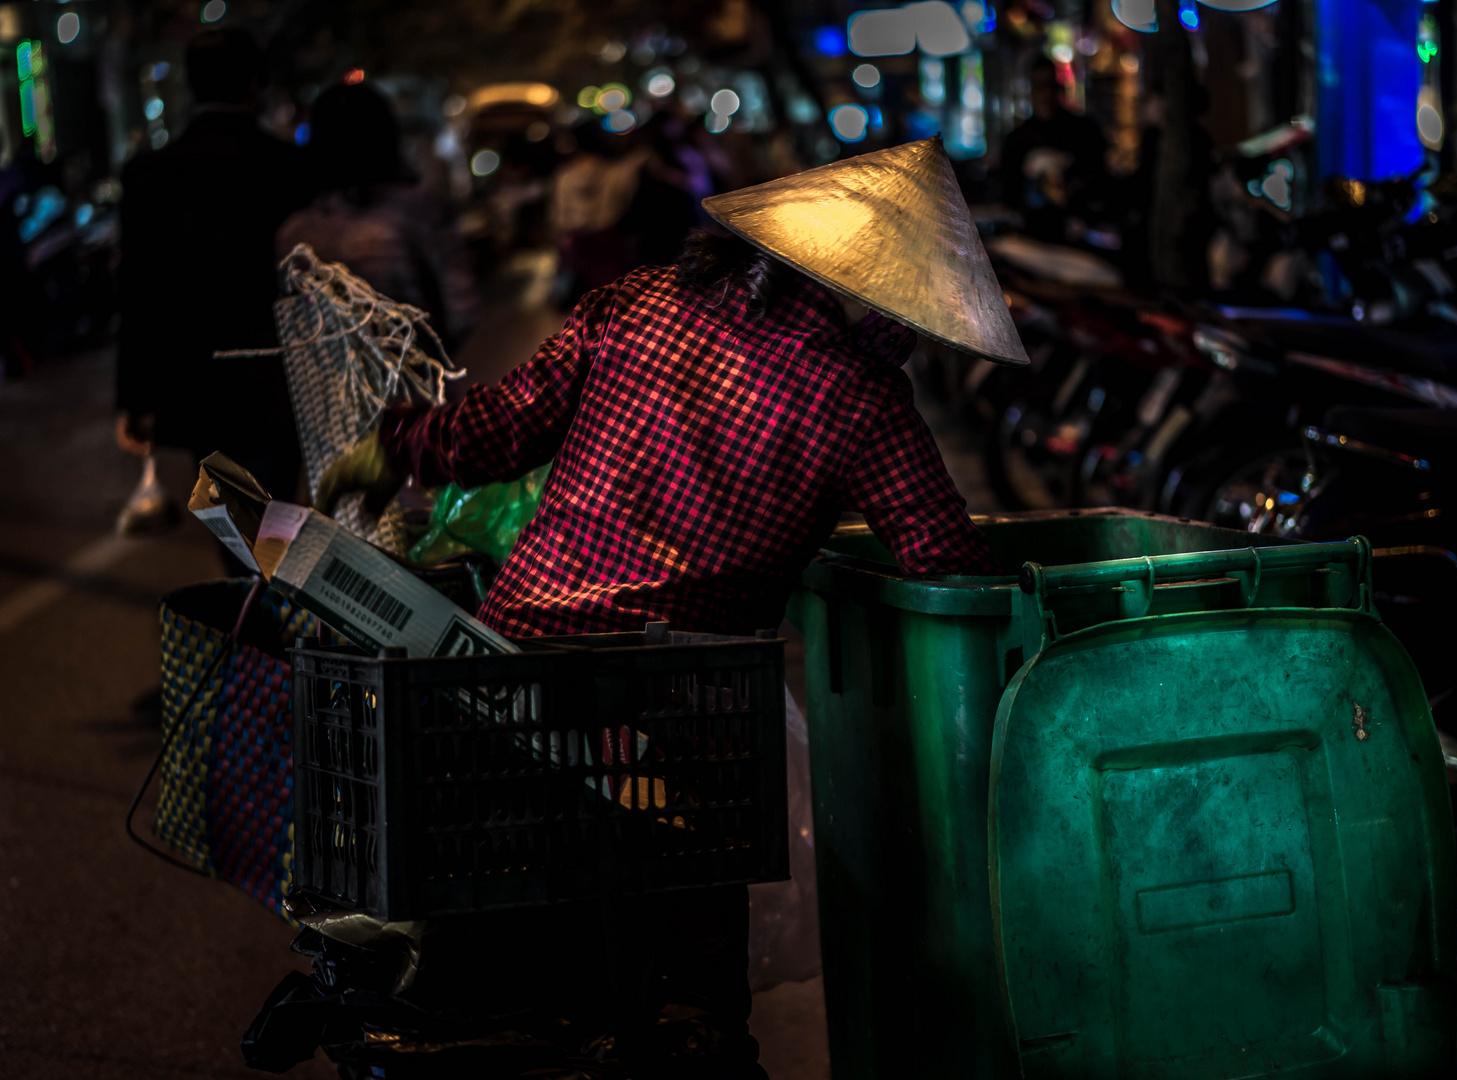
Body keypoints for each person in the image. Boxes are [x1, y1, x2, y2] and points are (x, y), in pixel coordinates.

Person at [315, 135, 1027, 1075]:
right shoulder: (863, 398)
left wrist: (397, 444)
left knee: (518, 892)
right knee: (694, 955)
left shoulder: (635, 306)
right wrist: (1035, 598)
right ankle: (695, 1028)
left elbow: (496, 432)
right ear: (864, 290)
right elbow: (942, 558)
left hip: (522, 670)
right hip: (689, 713)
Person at [115, 28, 313, 508]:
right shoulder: (291, 167)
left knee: (238, 520)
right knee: (273, 517)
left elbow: (137, 292)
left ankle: (258, 579)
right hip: (280, 376)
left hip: (194, 380)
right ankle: (268, 582)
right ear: (254, 86)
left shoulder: (150, 174)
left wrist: (136, 399)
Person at [276, 83, 480, 353]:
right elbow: (462, 311)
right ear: (387, 135)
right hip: (414, 382)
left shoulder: (294, 232)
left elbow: (296, 328)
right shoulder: (422, 210)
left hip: (332, 389)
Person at [1000, 56, 1110, 244]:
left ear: (1059, 88)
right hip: (1034, 239)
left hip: (1079, 240)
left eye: (1050, 85)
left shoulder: (1085, 132)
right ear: (1031, 91)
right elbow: (1009, 193)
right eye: (1039, 86)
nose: (1045, 94)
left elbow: (1101, 183)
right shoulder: (1016, 141)